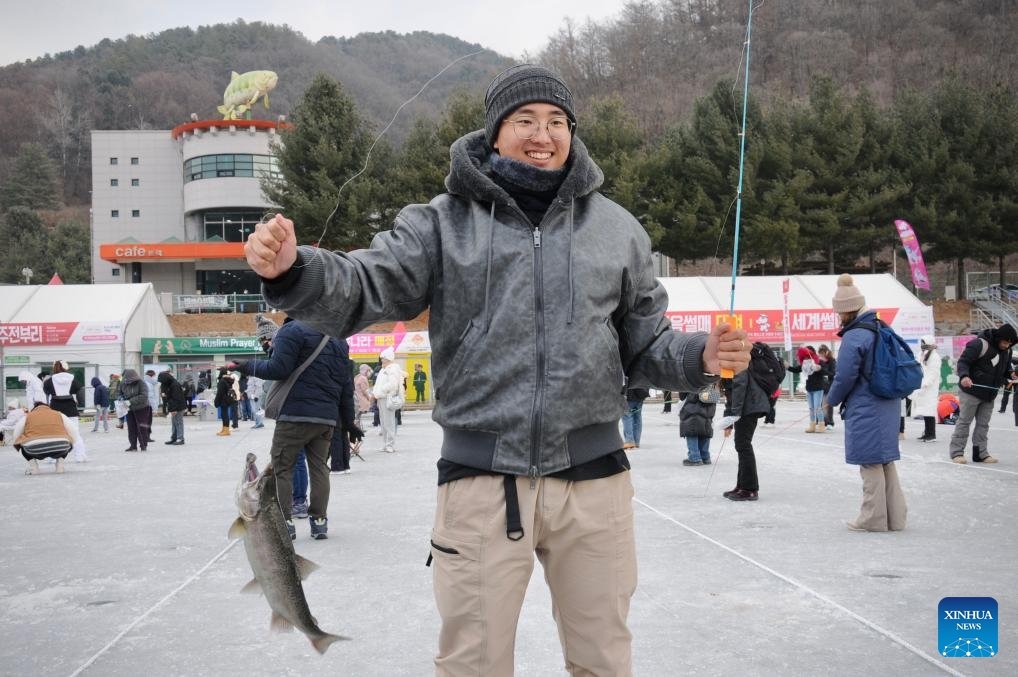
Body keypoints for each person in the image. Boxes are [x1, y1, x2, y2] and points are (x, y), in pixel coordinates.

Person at [243, 63, 750, 674]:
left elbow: (646, 346)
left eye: (557, 121)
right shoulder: (439, 224)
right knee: (472, 665)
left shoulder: (618, 231)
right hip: (480, 483)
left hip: (594, 485)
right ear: (494, 133)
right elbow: (365, 286)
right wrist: (296, 270)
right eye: (525, 121)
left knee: (605, 662)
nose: (543, 134)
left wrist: (699, 356)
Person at [230, 318, 363, 541]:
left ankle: (286, 522)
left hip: (294, 414)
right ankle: (319, 521)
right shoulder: (338, 338)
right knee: (320, 468)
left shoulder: (290, 331)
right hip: (325, 418)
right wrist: (349, 423)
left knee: (283, 468)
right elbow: (345, 385)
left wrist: (246, 365)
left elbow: (278, 368)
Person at [825, 274, 907, 532]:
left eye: (839, 314)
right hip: (888, 402)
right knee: (885, 461)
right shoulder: (882, 326)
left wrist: (831, 400)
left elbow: (845, 375)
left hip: (866, 405)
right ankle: (896, 517)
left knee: (870, 461)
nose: (839, 318)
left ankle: (872, 518)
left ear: (846, 311)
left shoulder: (855, 335)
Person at [948, 322, 1017, 463]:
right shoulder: (979, 344)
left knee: (983, 424)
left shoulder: (1007, 351)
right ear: (999, 338)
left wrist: (1011, 375)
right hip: (970, 391)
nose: (1007, 346)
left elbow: (1005, 370)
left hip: (989, 394)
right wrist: (964, 376)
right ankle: (957, 452)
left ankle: (980, 453)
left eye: (1010, 344)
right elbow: (963, 362)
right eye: (1005, 342)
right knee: (964, 422)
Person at [718, 368, 770, 501]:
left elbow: (739, 389)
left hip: (750, 407)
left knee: (743, 445)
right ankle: (741, 485)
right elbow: (730, 394)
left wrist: (733, 415)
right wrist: (728, 421)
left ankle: (750, 489)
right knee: (741, 445)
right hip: (745, 408)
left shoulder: (737, 363)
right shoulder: (727, 367)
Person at [12, 401, 84, 475]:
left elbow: (16, 432)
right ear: (48, 407)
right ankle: (60, 466)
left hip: (34, 448)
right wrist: (71, 442)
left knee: (22, 444)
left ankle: (34, 468)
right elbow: (73, 430)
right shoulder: (58, 414)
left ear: (34, 408)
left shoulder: (28, 416)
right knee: (68, 441)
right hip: (60, 446)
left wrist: (17, 444)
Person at [43, 360, 87, 462]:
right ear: (65, 367)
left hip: (55, 409)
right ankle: (80, 456)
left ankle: (53, 458)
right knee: (75, 433)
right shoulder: (72, 379)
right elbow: (80, 390)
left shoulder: (49, 380)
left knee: (54, 434)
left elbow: (46, 391)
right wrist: (80, 402)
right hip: (71, 408)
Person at [371, 347, 406, 453]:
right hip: (381, 398)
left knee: (389, 422)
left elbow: (392, 384)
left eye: (383, 358)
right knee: (383, 422)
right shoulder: (383, 369)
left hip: (387, 398)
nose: (381, 360)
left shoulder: (393, 368)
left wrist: (379, 392)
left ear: (388, 358)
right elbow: (378, 384)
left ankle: (390, 444)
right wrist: (376, 395)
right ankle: (385, 444)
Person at [788, 345, 825, 432]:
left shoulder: (819, 361)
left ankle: (821, 425)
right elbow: (796, 369)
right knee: (811, 408)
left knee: (817, 407)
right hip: (809, 388)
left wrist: (819, 368)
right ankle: (812, 425)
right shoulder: (805, 364)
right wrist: (787, 366)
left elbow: (826, 371)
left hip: (818, 388)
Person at [912, 336, 941, 442]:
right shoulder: (921, 354)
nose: (922, 345)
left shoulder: (934, 357)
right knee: (924, 411)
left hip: (929, 387)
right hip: (922, 386)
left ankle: (931, 434)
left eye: (924, 343)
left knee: (930, 411)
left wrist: (925, 384)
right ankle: (926, 432)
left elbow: (933, 374)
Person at [116, 369, 151, 452]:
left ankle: (143, 445)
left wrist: (130, 401)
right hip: (129, 409)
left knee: (141, 427)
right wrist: (120, 397)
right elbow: (119, 392)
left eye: (128, 380)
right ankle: (133, 446)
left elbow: (144, 396)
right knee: (131, 427)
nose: (127, 382)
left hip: (142, 408)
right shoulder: (123, 383)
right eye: (125, 380)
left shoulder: (141, 383)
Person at [679, 389, 715, 466]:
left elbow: (682, 396)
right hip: (710, 402)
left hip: (694, 406)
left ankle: (695, 457)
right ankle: (705, 457)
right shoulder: (714, 377)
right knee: (704, 429)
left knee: (692, 430)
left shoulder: (691, 377)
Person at [158, 370, 187, 445]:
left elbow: (176, 398)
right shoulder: (167, 384)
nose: (161, 383)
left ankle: (180, 439)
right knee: (174, 422)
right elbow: (166, 397)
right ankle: (174, 438)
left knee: (178, 422)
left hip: (178, 406)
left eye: (162, 382)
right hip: (173, 405)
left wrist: (173, 409)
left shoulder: (174, 385)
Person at [621, 386, 649, 450]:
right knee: (637, 417)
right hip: (640, 394)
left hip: (629, 395)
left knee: (627, 416)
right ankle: (636, 441)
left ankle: (629, 441)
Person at [213, 368, 239, 436]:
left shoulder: (222, 381)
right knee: (224, 414)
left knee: (224, 415)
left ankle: (226, 430)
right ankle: (224, 429)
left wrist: (216, 401)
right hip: (227, 399)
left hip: (223, 400)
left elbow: (220, 393)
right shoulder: (228, 380)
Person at [817, 344, 837, 429]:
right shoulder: (818, 361)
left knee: (827, 405)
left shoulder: (832, 361)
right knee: (819, 405)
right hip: (819, 386)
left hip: (828, 385)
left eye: (822, 353)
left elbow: (832, 374)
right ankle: (821, 421)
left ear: (826, 352)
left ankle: (830, 422)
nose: (821, 355)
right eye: (820, 353)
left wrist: (822, 369)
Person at [354, 364, 372, 429]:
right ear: (365, 371)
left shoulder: (358, 376)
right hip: (360, 399)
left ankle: (359, 429)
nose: (370, 373)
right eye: (369, 371)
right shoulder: (363, 378)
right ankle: (357, 429)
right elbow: (365, 391)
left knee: (357, 416)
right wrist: (369, 398)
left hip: (356, 399)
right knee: (357, 416)